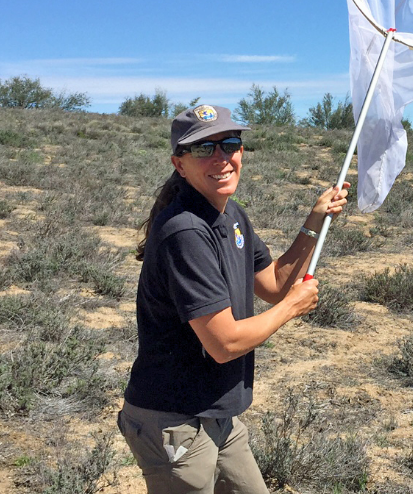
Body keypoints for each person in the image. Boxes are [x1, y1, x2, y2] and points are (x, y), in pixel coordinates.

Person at [118, 104, 348, 494]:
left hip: (218, 412)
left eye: (230, 144)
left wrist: (314, 221)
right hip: (172, 418)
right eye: (204, 149)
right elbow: (224, 344)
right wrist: (292, 307)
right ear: (180, 164)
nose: (222, 158)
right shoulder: (185, 231)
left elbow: (273, 282)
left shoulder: (231, 215)